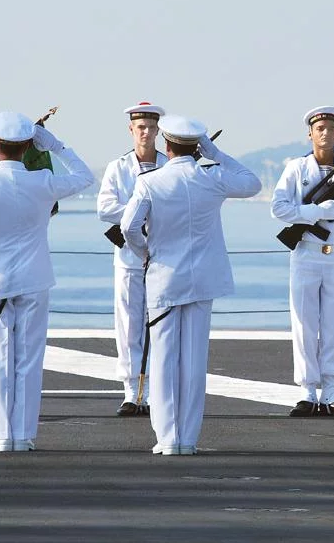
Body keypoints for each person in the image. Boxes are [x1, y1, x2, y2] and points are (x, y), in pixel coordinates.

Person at [0, 112, 94, 452]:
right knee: (29, 359)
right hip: (35, 278)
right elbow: (85, 176)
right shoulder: (43, 181)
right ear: (29, 145)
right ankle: (24, 435)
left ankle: (0, 435)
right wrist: (55, 145)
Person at [120, 116, 261, 455]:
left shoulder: (150, 181)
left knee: (165, 359)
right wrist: (215, 153)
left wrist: (145, 252)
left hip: (165, 277)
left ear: (166, 145)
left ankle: (167, 438)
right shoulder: (210, 176)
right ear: (195, 146)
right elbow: (252, 183)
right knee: (195, 361)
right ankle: (189, 439)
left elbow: (128, 228)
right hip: (203, 279)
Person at [270, 106, 334, 418]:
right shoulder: (296, 168)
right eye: (319, 129)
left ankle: (331, 390)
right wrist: (314, 213)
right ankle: (307, 391)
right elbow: (279, 208)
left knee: (333, 324)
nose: (325, 133)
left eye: (330, 128)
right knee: (304, 323)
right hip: (306, 253)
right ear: (310, 134)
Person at [97, 102, 168, 416]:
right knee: (128, 324)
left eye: (151, 127)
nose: (146, 132)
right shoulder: (118, 167)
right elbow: (104, 208)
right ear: (131, 129)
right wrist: (139, 211)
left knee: (158, 325)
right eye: (140, 127)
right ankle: (131, 391)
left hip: (161, 255)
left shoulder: (169, 165)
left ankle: (154, 391)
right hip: (128, 255)